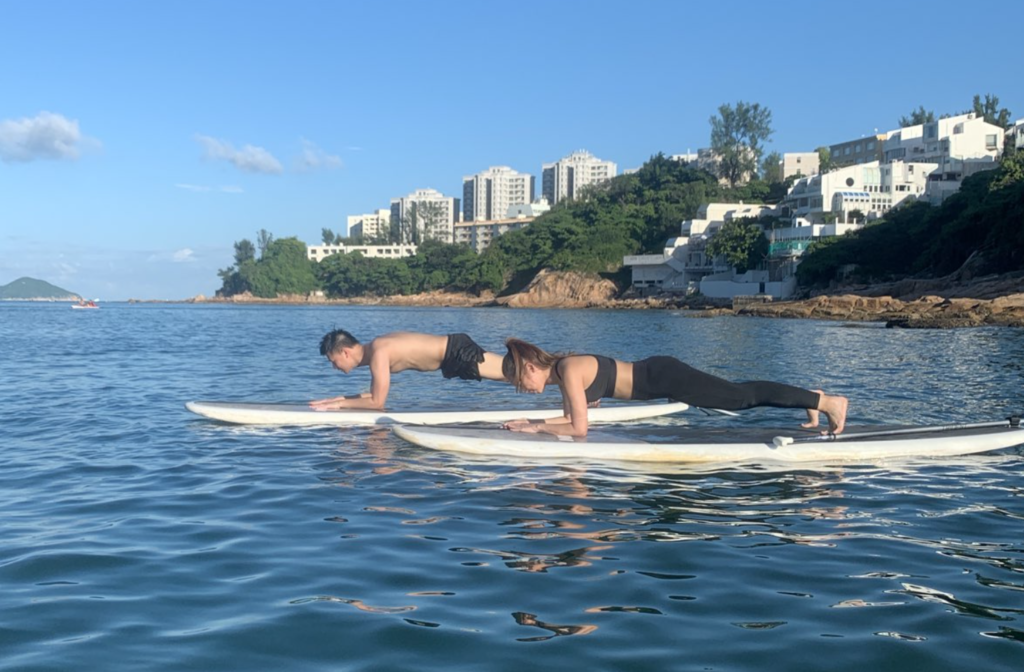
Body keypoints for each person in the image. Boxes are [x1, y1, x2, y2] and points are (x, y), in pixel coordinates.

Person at [501, 338, 848, 438]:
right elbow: (571, 420)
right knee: (739, 392)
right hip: (659, 374)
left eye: (521, 382)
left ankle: (827, 401)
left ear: (531, 367)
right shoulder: (565, 374)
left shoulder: (568, 369)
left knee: (742, 397)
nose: (524, 388)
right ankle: (812, 399)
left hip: (666, 378)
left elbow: (579, 428)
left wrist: (537, 426)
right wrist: (533, 425)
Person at [310, 330, 505, 411]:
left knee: (513, 373)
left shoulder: (379, 353)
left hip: (456, 352)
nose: (334, 367)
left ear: (345, 352)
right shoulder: (375, 351)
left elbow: (377, 403)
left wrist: (339, 406)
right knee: (513, 374)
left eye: (333, 361)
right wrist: (339, 399)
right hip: (452, 355)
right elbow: (373, 394)